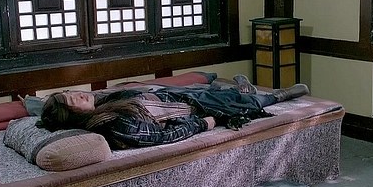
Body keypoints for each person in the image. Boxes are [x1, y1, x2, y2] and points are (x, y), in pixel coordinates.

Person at [39, 74, 309, 149]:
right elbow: (162, 137)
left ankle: (243, 89)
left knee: (217, 92)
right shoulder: (114, 125)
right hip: (187, 111)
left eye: (72, 92)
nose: (79, 94)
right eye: (73, 100)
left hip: (176, 97)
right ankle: (276, 96)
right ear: (74, 115)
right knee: (238, 105)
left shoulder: (101, 103)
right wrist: (204, 124)